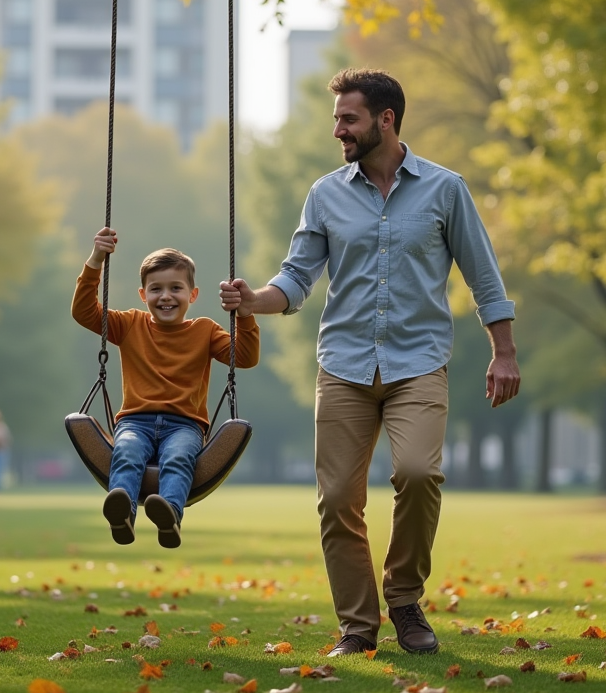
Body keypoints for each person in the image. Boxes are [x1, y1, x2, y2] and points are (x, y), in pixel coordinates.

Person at [219, 68, 520, 657]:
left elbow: (483, 275)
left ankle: (404, 597)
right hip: (344, 367)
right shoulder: (325, 194)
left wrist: (503, 350)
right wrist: (255, 300)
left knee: (417, 473)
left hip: (418, 363)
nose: (338, 130)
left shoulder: (445, 189)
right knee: (337, 501)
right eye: (336, 119)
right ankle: (358, 628)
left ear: (386, 119)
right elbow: (298, 275)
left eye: (348, 118)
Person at [72, 229, 261, 548]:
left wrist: (244, 313)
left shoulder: (205, 331)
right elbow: (84, 311)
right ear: (143, 295)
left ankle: (169, 515)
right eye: (156, 289)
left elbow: (244, 356)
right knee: (127, 451)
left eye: (176, 288)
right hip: (135, 421)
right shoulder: (128, 324)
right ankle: (123, 514)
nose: (166, 296)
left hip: (184, 425)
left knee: (178, 457)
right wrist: (96, 261)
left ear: (193, 294)